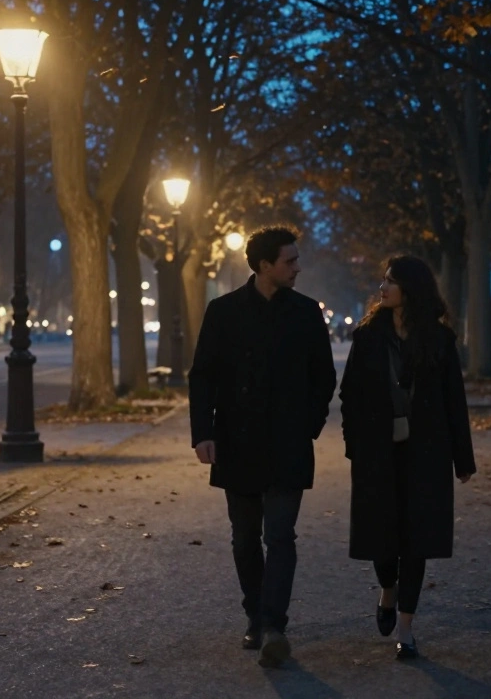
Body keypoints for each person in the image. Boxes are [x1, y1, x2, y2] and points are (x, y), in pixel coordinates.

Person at [188, 225, 337, 669]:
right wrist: (204, 433)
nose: (297, 267)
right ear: (264, 265)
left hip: (289, 442)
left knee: (281, 535)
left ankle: (273, 623)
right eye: (289, 261)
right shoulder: (224, 312)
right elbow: (203, 376)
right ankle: (255, 615)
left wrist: (308, 424)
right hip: (238, 441)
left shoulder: (307, 313)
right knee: (244, 538)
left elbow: (323, 377)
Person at [338, 255, 476, 660]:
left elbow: (455, 402)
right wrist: (354, 443)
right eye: (383, 281)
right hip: (377, 452)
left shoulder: (439, 339)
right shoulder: (368, 336)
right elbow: (349, 395)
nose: (382, 288)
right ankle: (387, 589)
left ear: (410, 290)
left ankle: (406, 626)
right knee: (381, 538)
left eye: (391, 282)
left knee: (417, 540)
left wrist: (462, 460)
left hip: (426, 454)